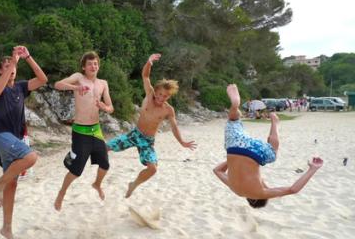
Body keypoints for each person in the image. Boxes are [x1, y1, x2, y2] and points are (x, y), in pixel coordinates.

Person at [213, 84, 323, 208]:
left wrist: (313, 169)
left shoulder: (261, 192)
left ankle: (274, 122)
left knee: (273, 154)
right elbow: (217, 170)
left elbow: (293, 190)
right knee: (233, 121)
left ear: (254, 199)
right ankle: (235, 105)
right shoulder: (234, 189)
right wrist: (233, 160)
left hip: (254, 152)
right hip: (233, 146)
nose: (266, 186)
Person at [107, 53, 197, 198]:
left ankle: (134, 184)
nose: (161, 98)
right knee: (105, 147)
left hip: (148, 142)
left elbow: (174, 127)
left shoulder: (168, 110)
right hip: (134, 134)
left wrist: (182, 142)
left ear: (169, 96)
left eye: (165, 96)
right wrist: (149, 62)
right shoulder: (149, 95)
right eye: (160, 94)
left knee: (153, 169)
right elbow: (145, 76)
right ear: (156, 91)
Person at [0, 46, 47, 239]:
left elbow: (42, 79)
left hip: (14, 137)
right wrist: (13, 61)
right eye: (5, 66)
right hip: (0, 134)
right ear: (0, 71)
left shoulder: (21, 87)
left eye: (12, 66)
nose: (11, 68)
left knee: (12, 184)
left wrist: (28, 57)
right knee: (31, 157)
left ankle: (6, 228)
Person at [53, 51, 114, 211]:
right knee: (76, 170)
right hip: (80, 130)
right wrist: (76, 87)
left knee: (105, 165)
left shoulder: (103, 83)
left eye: (95, 63)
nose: (93, 66)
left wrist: (104, 107)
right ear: (84, 67)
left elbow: (110, 107)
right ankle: (61, 193)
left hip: (96, 130)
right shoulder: (79, 78)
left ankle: (97, 184)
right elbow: (58, 85)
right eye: (89, 64)